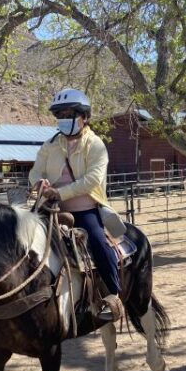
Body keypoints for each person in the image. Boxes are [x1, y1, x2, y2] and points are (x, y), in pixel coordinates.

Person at [30, 88, 125, 322]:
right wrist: (38, 183)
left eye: (70, 113)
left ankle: (114, 296)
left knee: (97, 241)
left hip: (84, 209)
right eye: (60, 114)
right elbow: (34, 172)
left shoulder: (96, 145)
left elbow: (92, 179)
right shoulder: (49, 145)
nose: (64, 118)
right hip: (50, 208)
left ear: (84, 116)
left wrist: (59, 192)